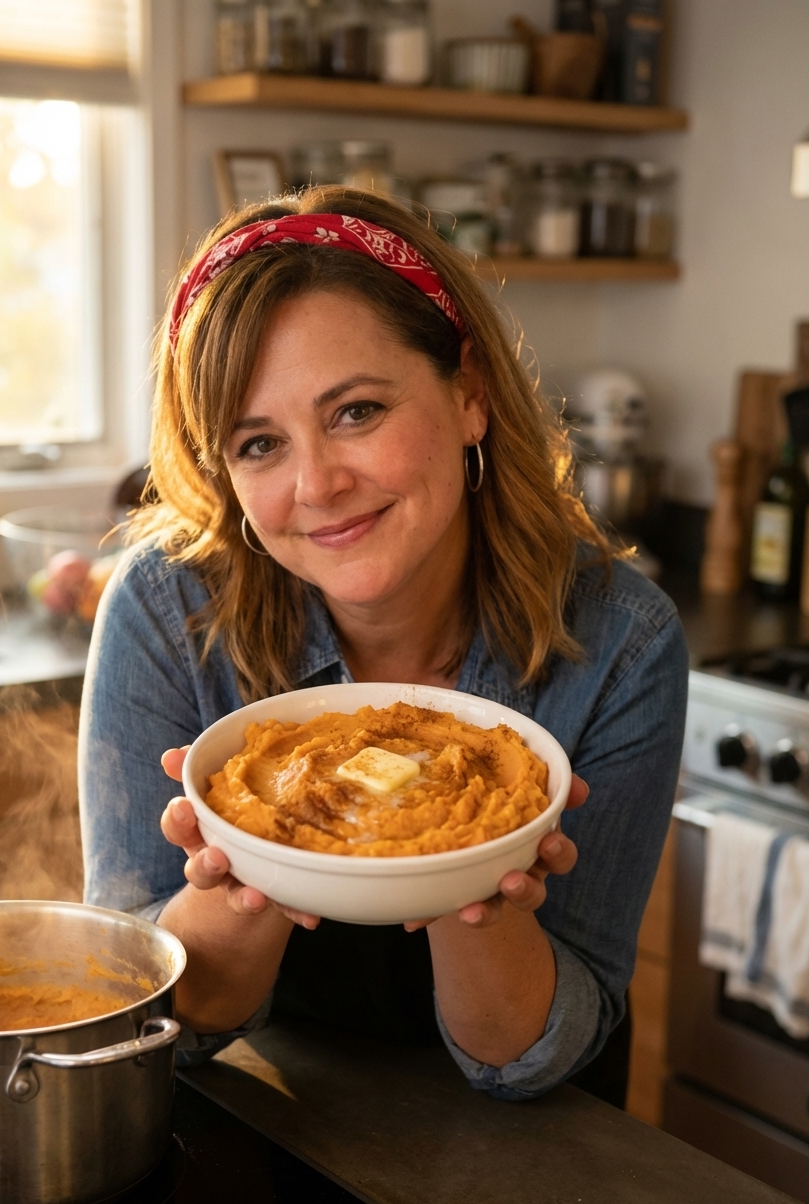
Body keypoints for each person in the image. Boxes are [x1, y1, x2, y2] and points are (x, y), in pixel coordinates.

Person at [81, 187, 687, 1105]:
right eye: (258, 443)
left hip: (553, 1172)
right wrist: (233, 881)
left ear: (470, 395)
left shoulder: (619, 641)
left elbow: (538, 1056)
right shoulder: (166, 611)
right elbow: (143, 1025)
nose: (316, 484)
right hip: (280, 1128)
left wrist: (476, 879)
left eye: (357, 411)